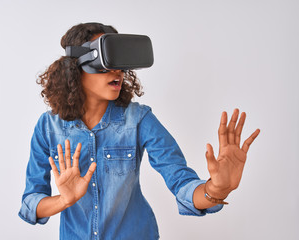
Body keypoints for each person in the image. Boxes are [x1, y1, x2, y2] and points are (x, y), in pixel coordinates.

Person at [18, 22, 260, 240]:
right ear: (76, 68)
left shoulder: (139, 119)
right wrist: (64, 200)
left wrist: (216, 189)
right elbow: (31, 202)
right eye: (107, 62)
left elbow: (181, 181)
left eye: (120, 63)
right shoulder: (48, 127)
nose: (118, 71)